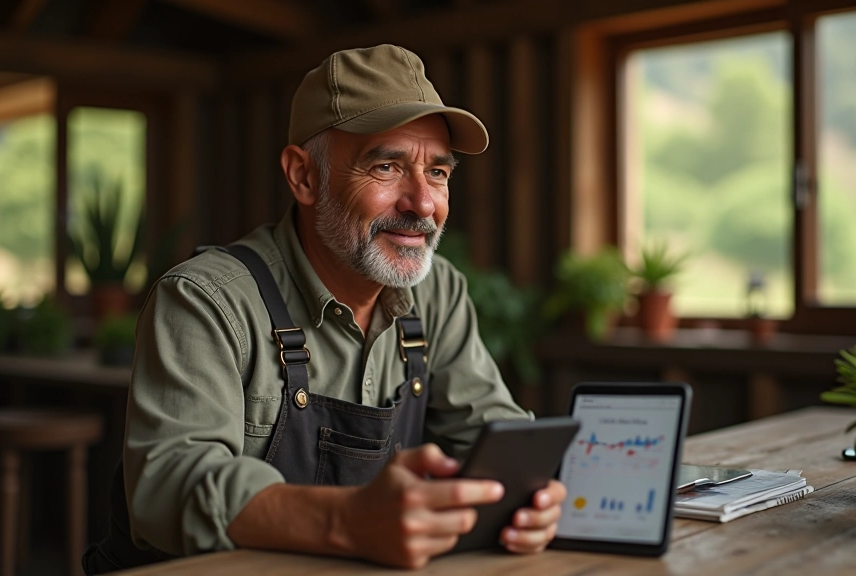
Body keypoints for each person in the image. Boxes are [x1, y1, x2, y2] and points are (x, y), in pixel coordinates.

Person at [82, 44, 565, 574]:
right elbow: (169, 489)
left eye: (439, 173)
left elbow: (494, 439)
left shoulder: (438, 292)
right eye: (387, 166)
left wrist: (531, 500)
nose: (423, 203)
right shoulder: (205, 300)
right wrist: (349, 520)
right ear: (304, 176)